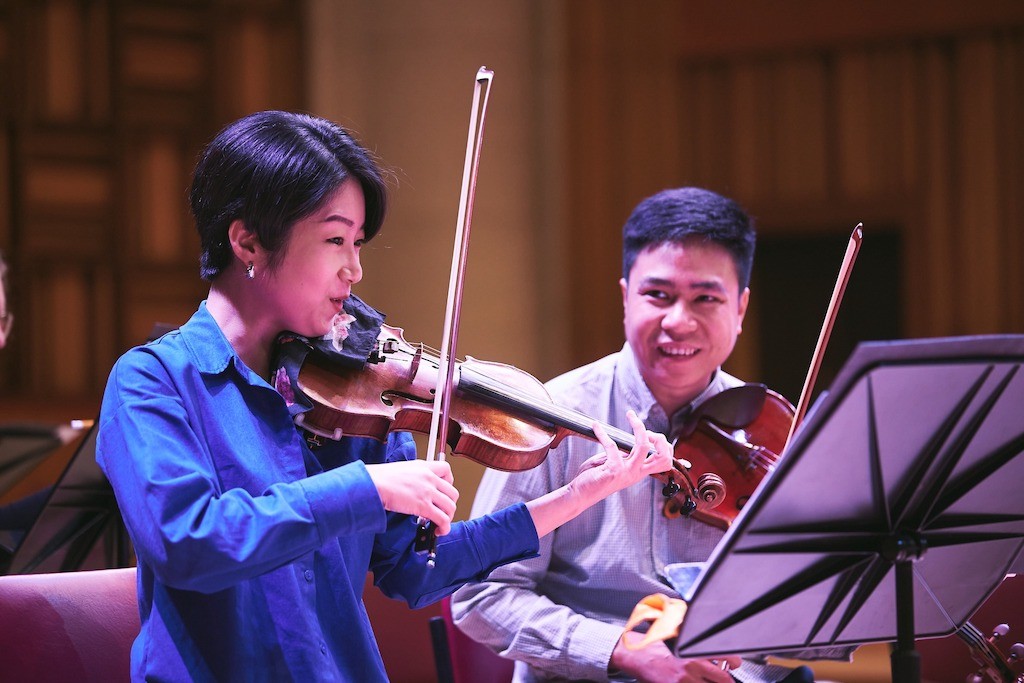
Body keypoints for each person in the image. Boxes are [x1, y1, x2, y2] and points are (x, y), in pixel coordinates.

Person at [94, 110, 684, 683]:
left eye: (359, 244)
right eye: (335, 240)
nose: (355, 271)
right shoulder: (153, 381)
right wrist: (367, 488)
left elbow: (419, 569)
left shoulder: (353, 392)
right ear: (247, 242)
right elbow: (188, 542)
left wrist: (579, 494)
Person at [451, 188, 818, 683]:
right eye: (658, 295)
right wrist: (617, 649)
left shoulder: (773, 434)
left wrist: (742, 674)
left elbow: (803, 603)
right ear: (626, 296)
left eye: (706, 298)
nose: (678, 322)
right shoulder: (552, 414)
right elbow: (482, 594)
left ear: (741, 307)